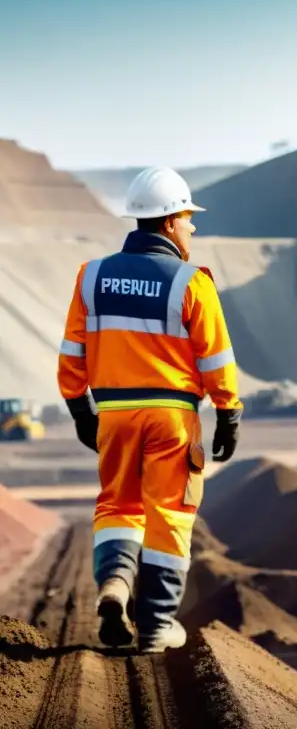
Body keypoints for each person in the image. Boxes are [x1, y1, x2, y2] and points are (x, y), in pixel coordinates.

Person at [57, 166, 243, 654]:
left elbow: (72, 354)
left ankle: (115, 585)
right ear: (167, 222)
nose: (192, 227)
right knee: (170, 514)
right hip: (172, 419)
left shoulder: (90, 276)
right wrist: (229, 413)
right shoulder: (191, 282)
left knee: (118, 505)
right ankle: (157, 624)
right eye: (187, 218)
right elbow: (217, 358)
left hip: (114, 416)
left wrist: (81, 411)